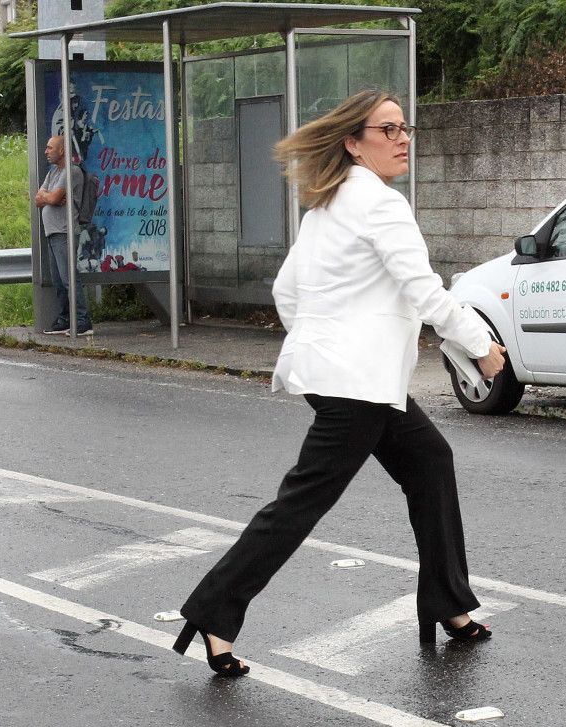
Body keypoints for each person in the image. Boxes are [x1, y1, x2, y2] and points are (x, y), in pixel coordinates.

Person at [172, 89, 508, 677]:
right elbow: (425, 292)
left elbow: (286, 293)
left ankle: (448, 603)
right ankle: (215, 613)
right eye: (387, 130)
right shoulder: (378, 204)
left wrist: (320, 342)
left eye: (405, 127)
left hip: (347, 378)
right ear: (354, 142)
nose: (402, 138)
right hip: (357, 383)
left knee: (430, 461)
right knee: (301, 503)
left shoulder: (326, 206)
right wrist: (481, 350)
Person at [35, 135, 93, 336]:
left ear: (62, 151)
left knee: (69, 277)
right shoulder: (53, 173)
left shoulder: (72, 171)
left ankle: (83, 320)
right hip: (53, 232)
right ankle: (66, 318)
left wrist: (50, 198)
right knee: (59, 279)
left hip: (65, 231)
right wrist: (48, 198)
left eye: (50, 148)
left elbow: (52, 196)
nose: (46, 151)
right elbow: (38, 199)